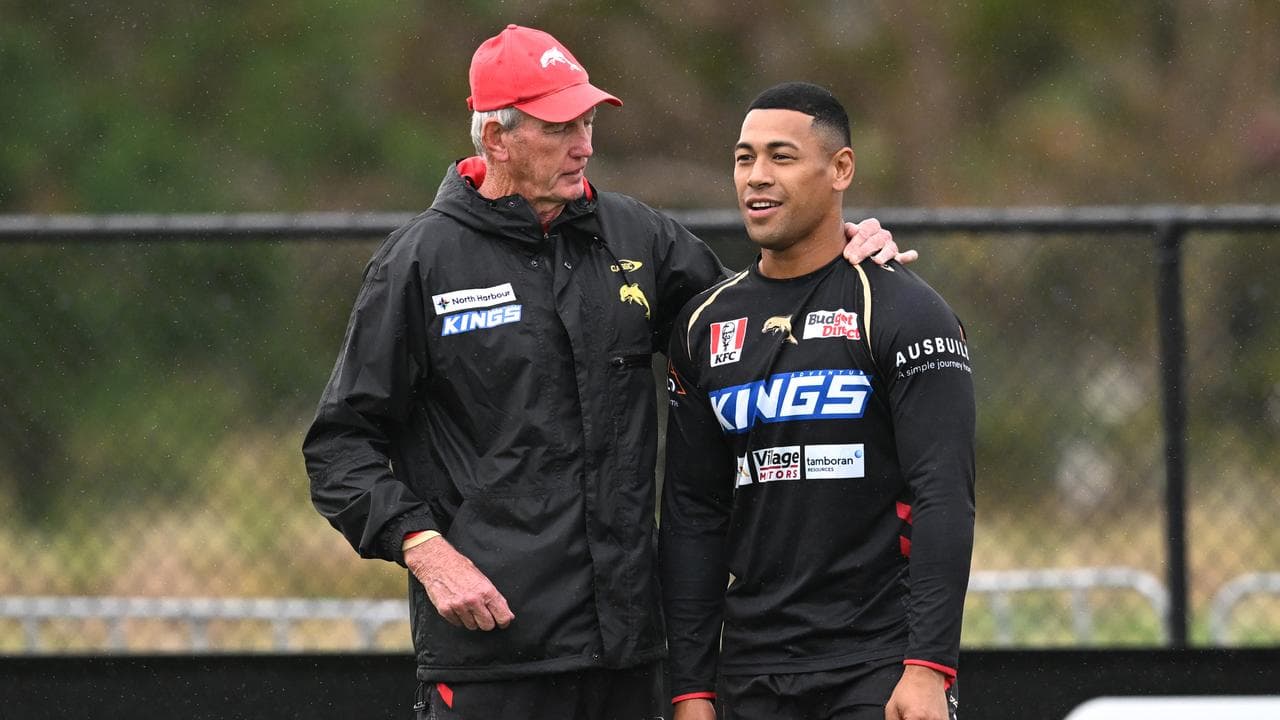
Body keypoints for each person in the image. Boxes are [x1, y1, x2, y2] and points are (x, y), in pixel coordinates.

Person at [303, 26, 906, 720]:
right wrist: (426, 549)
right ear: (496, 139)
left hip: (628, 654)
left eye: (587, 122)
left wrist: (843, 256)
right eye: (560, 127)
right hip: (494, 659)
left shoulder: (639, 238)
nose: (584, 145)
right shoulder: (417, 263)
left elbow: (756, 327)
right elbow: (339, 449)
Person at [660, 82, 975, 720]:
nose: (757, 177)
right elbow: (694, 514)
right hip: (749, 674)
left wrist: (927, 669)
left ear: (840, 170)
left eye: (781, 156)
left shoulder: (905, 311)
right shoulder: (703, 324)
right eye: (744, 158)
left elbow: (944, 493)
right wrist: (691, 688)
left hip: (878, 670)